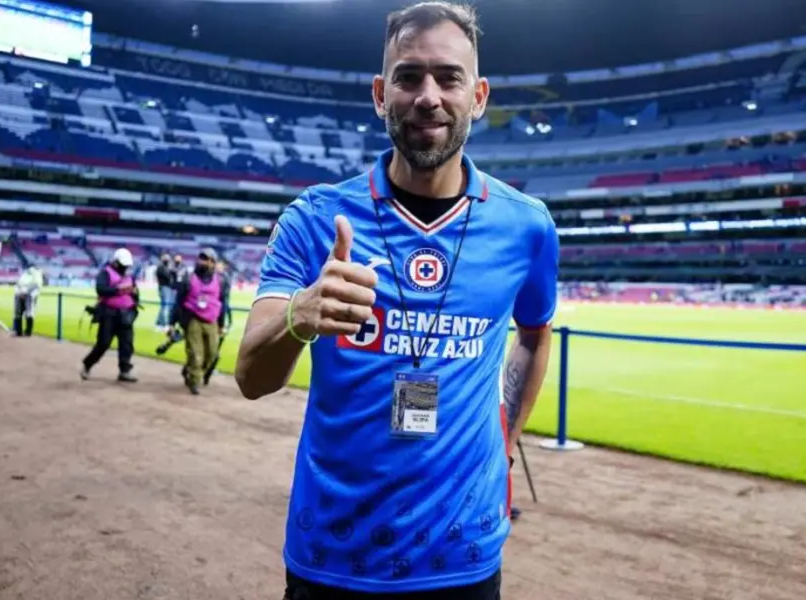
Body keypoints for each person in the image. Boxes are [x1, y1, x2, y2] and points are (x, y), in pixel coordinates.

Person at [235, 3, 558, 597]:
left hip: (464, 557)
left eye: (449, 77)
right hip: (333, 555)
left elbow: (535, 336)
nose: (428, 96)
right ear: (381, 95)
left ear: (478, 96)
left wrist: (506, 445)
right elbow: (251, 377)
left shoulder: (527, 227)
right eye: (408, 77)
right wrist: (299, 316)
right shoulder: (314, 219)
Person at [170, 248, 229, 395]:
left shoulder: (221, 281)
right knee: (196, 353)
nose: (203, 261)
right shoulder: (189, 278)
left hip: (212, 320)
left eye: (207, 259)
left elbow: (223, 303)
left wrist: (222, 324)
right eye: (201, 258)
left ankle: (189, 370)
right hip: (193, 318)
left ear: (213, 263)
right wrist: (173, 323)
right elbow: (178, 302)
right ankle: (194, 381)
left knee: (212, 354)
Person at [80, 248, 140, 383]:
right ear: (116, 262)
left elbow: (135, 291)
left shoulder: (129, 276)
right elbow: (101, 289)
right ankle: (87, 365)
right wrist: (119, 290)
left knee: (127, 344)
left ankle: (125, 371)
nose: (125, 268)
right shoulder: (105, 273)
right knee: (103, 343)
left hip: (126, 314)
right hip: (109, 314)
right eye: (123, 265)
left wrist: (135, 297)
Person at [12, 264, 43, 336]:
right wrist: (20, 293)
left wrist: (23, 293)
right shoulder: (27, 274)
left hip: (27, 296)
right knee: (23, 313)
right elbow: (18, 284)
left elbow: (36, 286)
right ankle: (22, 331)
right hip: (21, 295)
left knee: (25, 313)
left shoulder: (34, 274)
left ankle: (24, 331)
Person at [154, 253, 177, 331]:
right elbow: (168, 277)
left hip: (167, 288)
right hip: (164, 287)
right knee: (165, 306)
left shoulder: (165, 267)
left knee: (164, 306)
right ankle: (163, 324)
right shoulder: (161, 268)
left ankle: (159, 323)